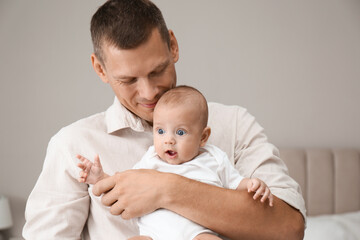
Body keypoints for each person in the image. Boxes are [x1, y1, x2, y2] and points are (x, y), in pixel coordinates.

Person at [23, 0, 306, 239]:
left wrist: (166, 189)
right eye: (128, 79)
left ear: (173, 46)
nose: (149, 93)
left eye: (157, 71)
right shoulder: (73, 145)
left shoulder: (233, 125)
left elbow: (289, 228)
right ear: (100, 69)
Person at [76, 86, 274, 240]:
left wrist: (254, 184)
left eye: (180, 132)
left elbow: (237, 183)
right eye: (160, 131)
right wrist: (99, 177)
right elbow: (122, 188)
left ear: (203, 137)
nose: (168, 140)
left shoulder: (214, 158)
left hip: (196, 233)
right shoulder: (151, 159)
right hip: (153, 235)